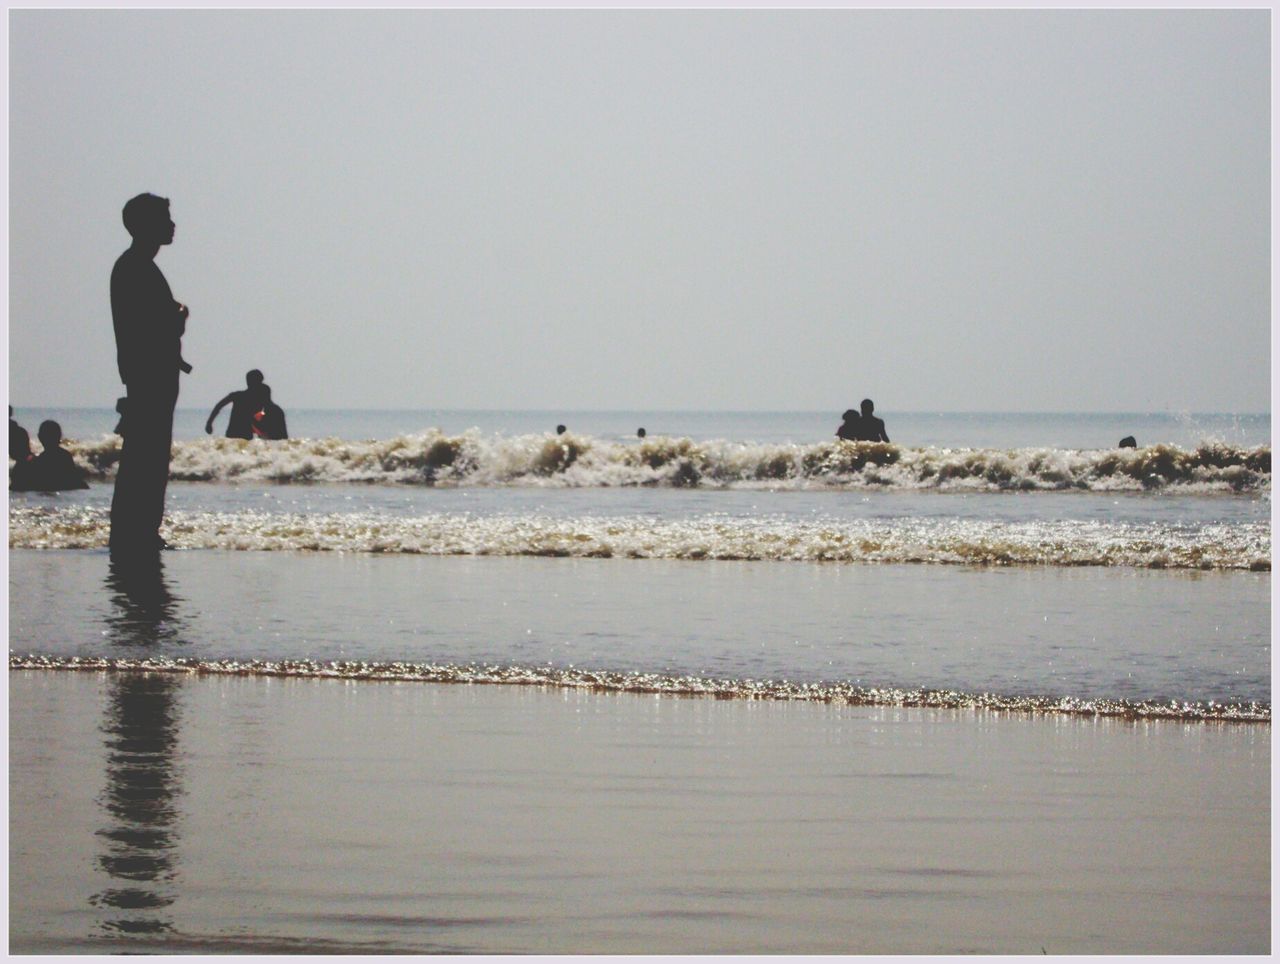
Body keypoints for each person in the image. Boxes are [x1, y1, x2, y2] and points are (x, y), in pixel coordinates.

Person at [108, 193, 191, 556]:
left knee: (147, 457)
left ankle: (138, 532)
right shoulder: (136, 267)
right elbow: (155, 327)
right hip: (149, 378)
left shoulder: (135, 266)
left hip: (147, 378)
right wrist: (179, 315)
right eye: (164, 217)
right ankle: (135, 533)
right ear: (144, 225)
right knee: (147, 459)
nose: (172, 224)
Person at [17, 420, 89, 491]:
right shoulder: (65, 456)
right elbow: (73, 478)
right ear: (59, 436)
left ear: (40, 437)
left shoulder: (40, 460)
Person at [205, 370, 267, 439]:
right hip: (245, 434)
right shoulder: (259, 400)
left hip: (233, 433)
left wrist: (209, 423)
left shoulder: (237, 395)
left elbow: (219, 406)